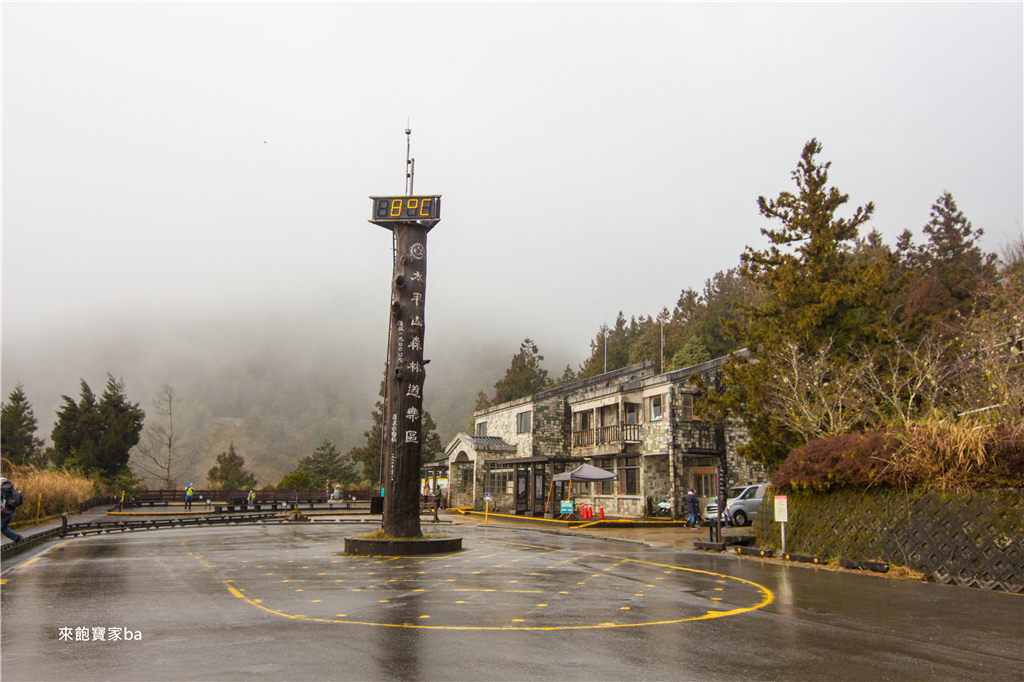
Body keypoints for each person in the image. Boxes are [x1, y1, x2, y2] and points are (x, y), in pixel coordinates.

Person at [1, 477, 25, 544]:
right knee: (3, 528)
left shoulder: (1, 489)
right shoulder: (12, 489)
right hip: (11, 513)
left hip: (2, 513)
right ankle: (17, 538)